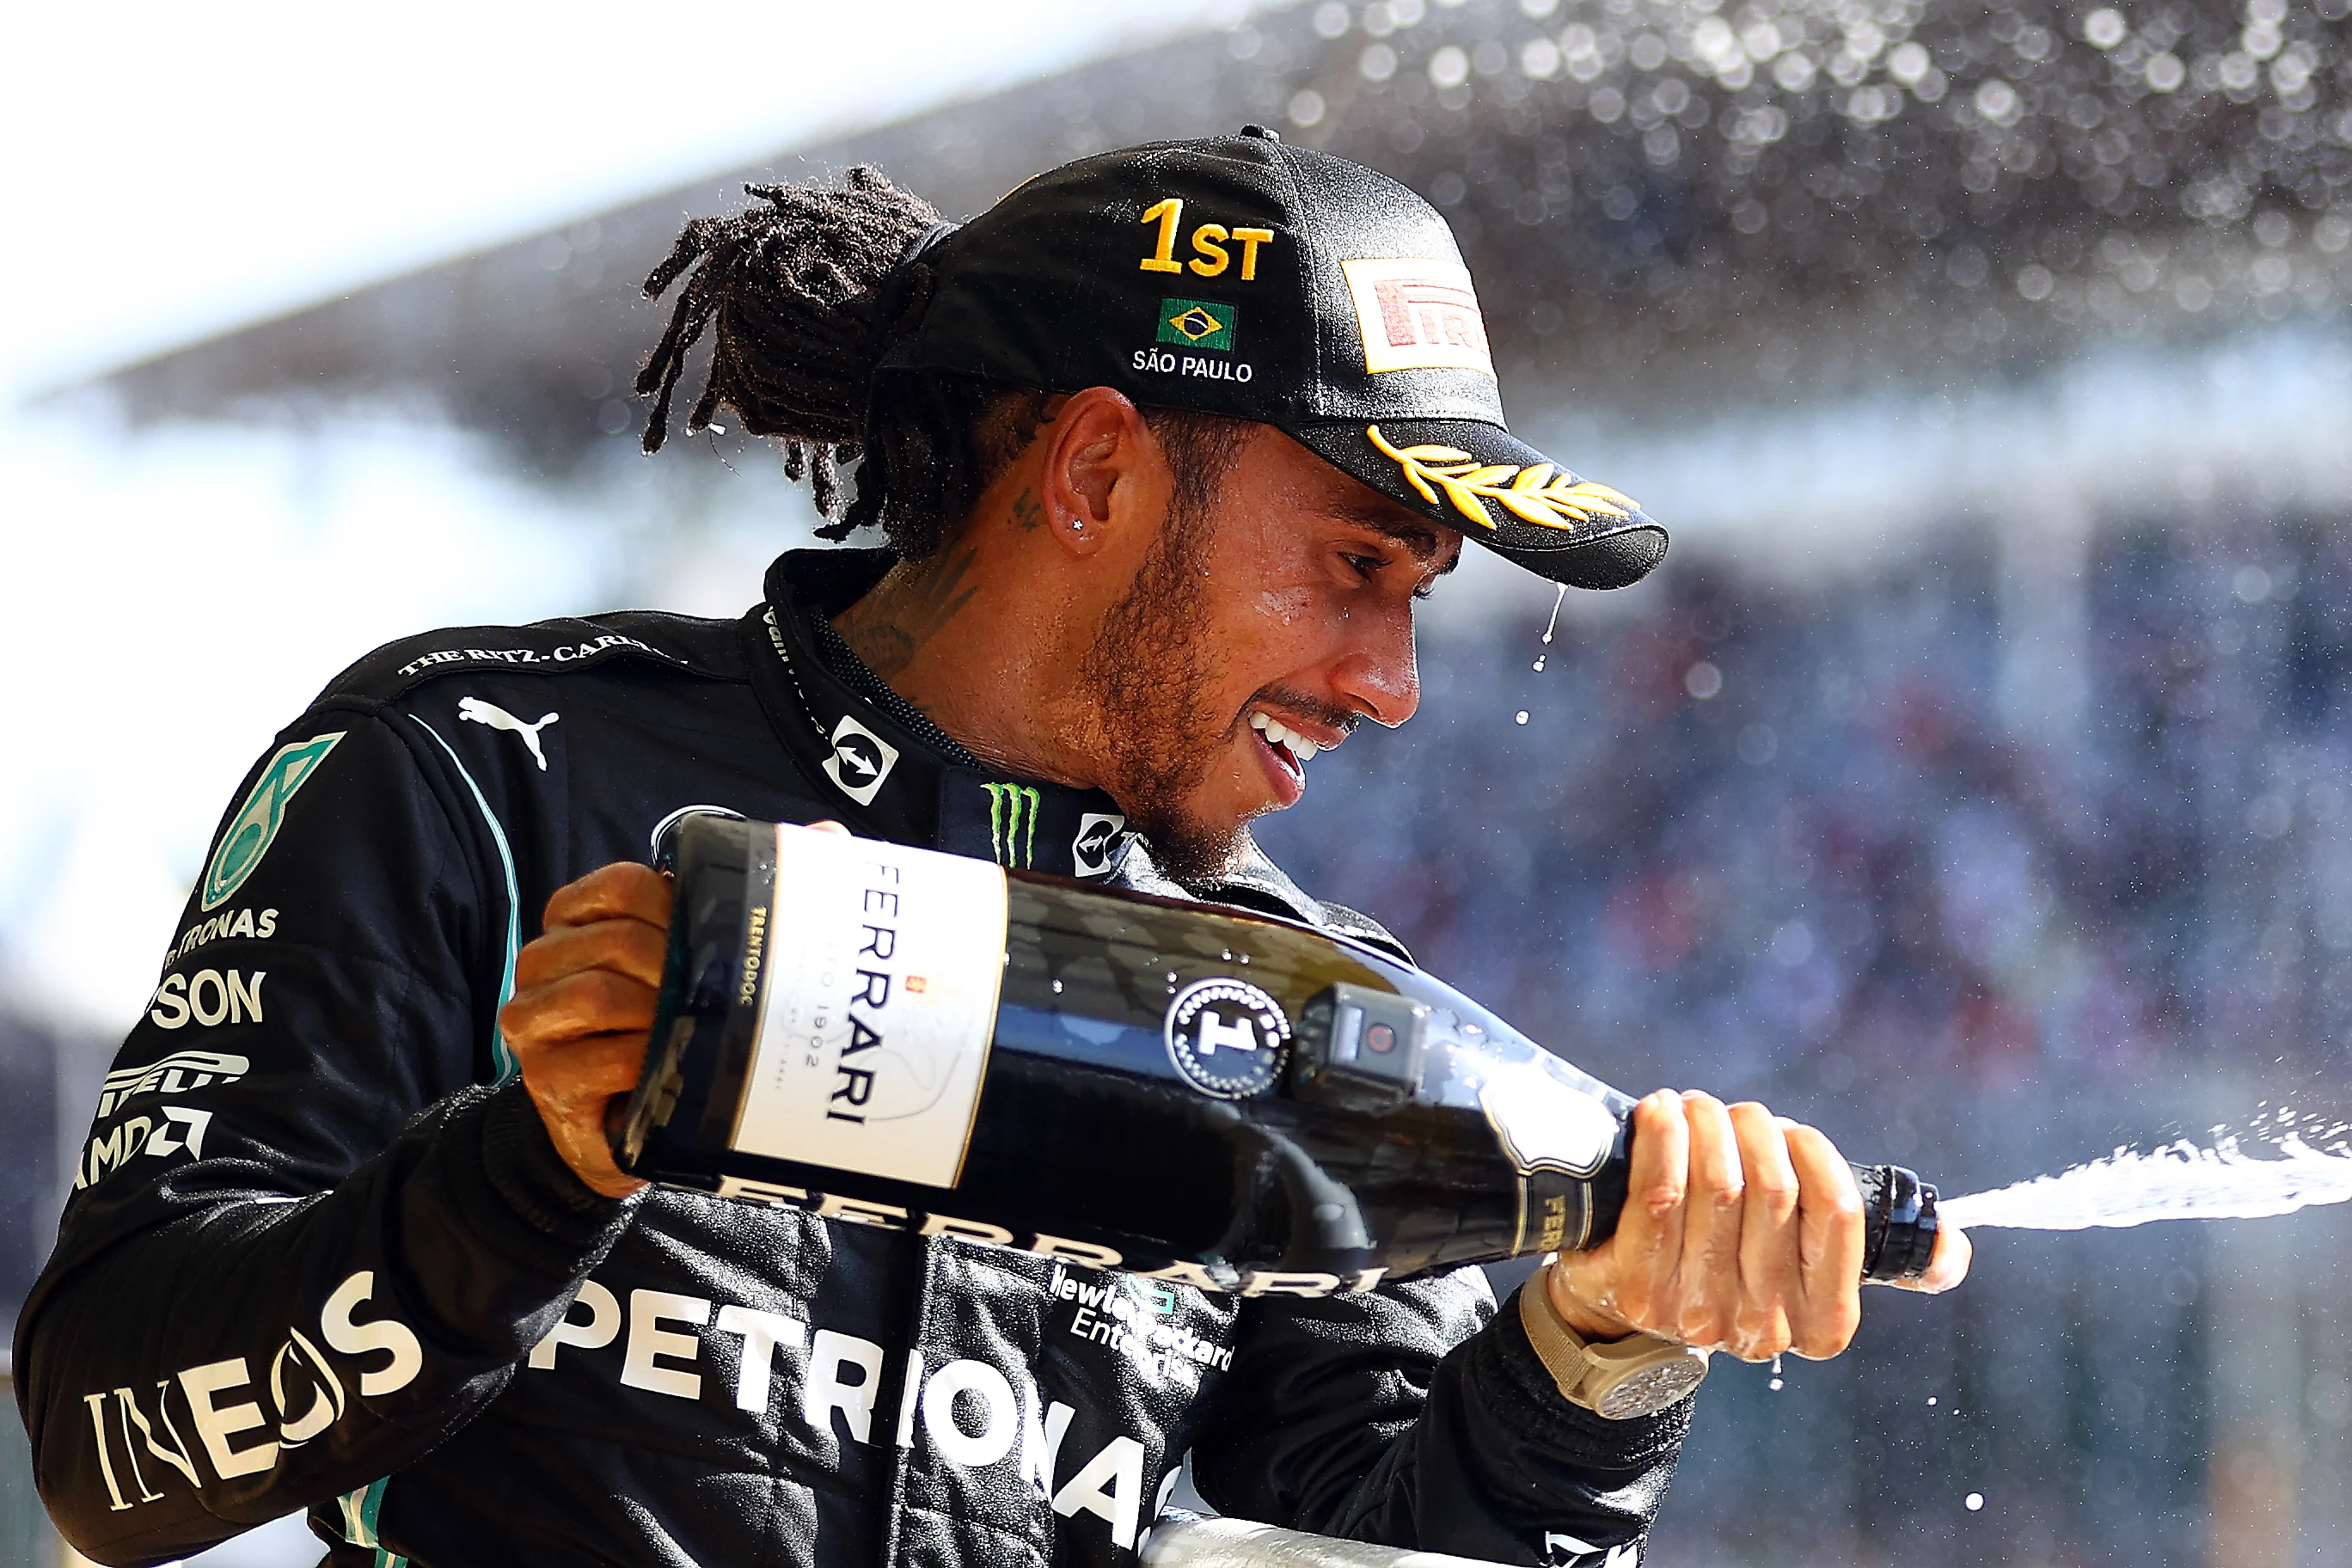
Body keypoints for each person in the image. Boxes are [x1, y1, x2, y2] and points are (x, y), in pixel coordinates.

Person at [15, 129, 1965, 1568]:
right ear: (1098, 471)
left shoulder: (1319, 1016)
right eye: (1355, 569)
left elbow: (1391, 1538)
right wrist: (532, 1174)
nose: (1391, 684)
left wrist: (1599, 1347)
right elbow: (103, 1450)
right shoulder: (480, 765)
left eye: (1421, 602)